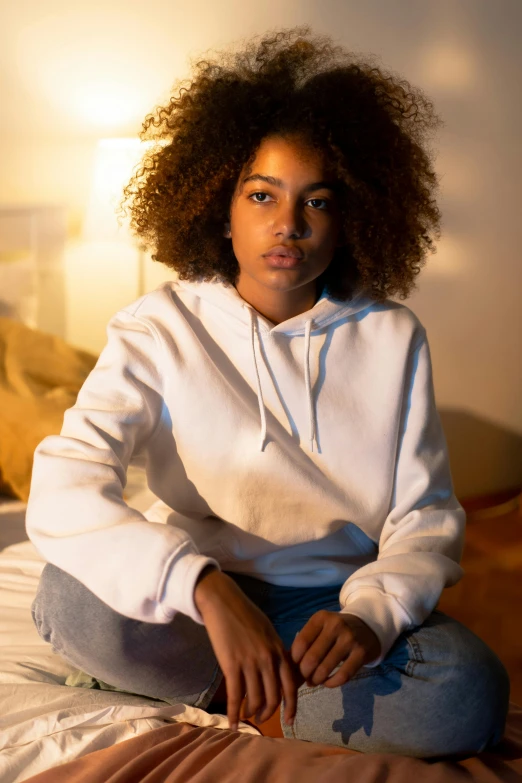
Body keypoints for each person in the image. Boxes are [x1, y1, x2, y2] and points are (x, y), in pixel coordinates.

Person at [27, 26, 510, 757]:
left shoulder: (392, 336)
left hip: (331, 616)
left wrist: (371, 616)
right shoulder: (159, 325)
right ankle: (265, 691)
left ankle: (251, 695)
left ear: (350, 218)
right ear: (221, 207)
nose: (288, 225)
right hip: (197, 600)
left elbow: (425, 517)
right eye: (262, 195)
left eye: (316, 201)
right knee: (67, 597)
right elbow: (61, 488)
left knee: (469, 690)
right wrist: (201, 587)